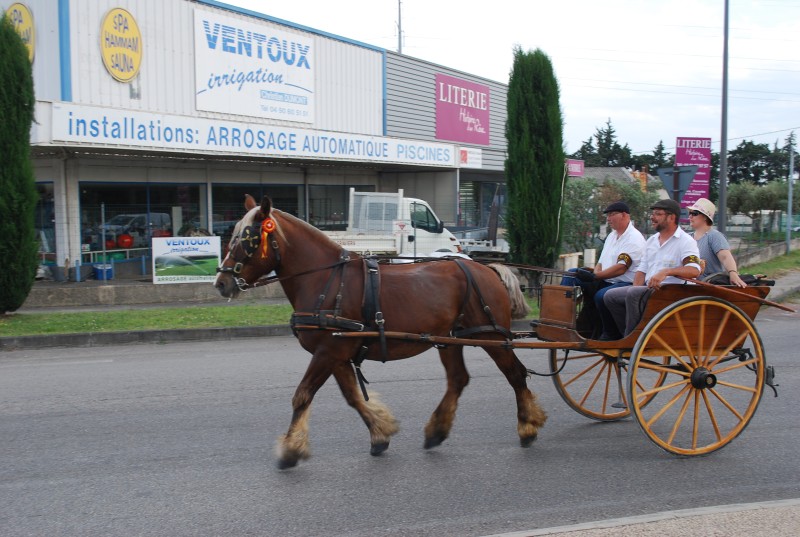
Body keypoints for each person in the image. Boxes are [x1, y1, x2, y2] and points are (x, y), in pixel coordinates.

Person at [602, 199, 702, 339]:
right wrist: (635, 287)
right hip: (650, 291)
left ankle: (633, 339)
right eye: (652, 213)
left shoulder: (685, 241)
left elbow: (694, 270)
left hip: (672, 293)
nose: (652, 217)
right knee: (610, 296)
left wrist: (666, 272)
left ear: (671, 217)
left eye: (657, 214)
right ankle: (626, 335)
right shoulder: (652, 241)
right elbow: (641, 270)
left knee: (633, 294)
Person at [560, 201, 646, 339]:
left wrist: (595, 277)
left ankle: (611, 332)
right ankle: (561, 319)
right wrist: (593, 273)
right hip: (605, 279)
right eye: (608, 215)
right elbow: (600, 262)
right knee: (572, 274)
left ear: (624, 215)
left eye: (612, 214)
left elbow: (621, 268)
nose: (608, 218)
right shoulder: (612, 236)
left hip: (623, 284)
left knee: (601, 295)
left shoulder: (634, 238)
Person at [687, 197, 747, 288]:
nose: (690, 216)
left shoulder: (714, 236)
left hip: (708, 287)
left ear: (705, 217)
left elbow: (725, 257)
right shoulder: (688, 237)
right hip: (689, 286)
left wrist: (733, 273)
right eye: (690, 213)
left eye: (694, 213)